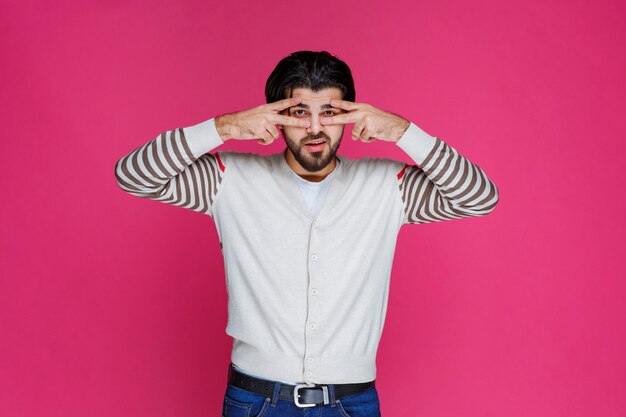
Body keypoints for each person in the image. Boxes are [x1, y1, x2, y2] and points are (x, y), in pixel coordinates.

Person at [114, 50, 499, 417]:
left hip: (353, 402)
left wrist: (402, 131)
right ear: (274, 117)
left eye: (329, 112)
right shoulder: (228, 180)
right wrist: (225, 126)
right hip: (257, 400)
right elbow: (133, 175)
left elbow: (480, 197)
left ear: (351, 115)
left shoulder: (388, 186)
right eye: (299, 112)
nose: (315, 128)